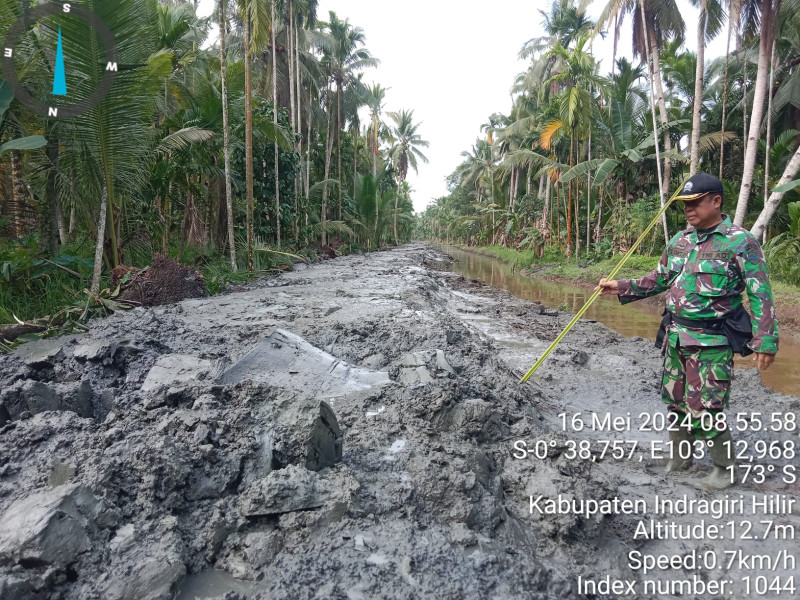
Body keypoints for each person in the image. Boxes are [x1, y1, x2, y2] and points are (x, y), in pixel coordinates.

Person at [594, 173, 778, 490]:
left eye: (695, 203)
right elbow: (659, 278)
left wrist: (766, 341)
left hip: (712, 341)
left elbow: (760, 293)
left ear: (716, 201)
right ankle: (681, 459)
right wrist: (621, 287)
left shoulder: (741, 242)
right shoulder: (681, 240)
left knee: (707, 406)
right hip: (676, 337)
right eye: (685, 204)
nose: (689, 210)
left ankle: (725, 470)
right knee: (676, 401)